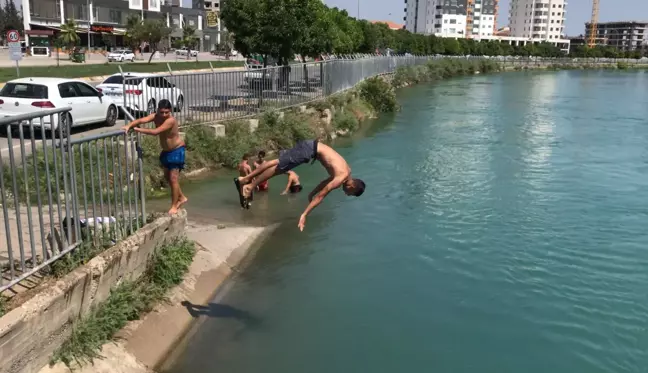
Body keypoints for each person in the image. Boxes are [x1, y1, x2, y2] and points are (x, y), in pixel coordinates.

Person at [234, 140, 365, 231]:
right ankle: (248, 185)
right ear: (352, 186)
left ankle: (245, 181)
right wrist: (304, 214)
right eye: (350, 193)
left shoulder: (346, 171)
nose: (346, 193)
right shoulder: (341, 177)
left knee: (277, 166)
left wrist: (311, 192)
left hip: (311, 147)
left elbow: (324, 183)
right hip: (309, 150)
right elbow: (321, 196)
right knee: (277, 166)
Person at [122, 99, 187, 215]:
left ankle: (174, 206)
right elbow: (141, 120)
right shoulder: (156, 116)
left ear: (170, 111)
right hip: (166, 152)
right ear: (158, 110)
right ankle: (181, 197)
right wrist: (129, 125)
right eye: (161, 112)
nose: (164, 115)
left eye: (166, 112)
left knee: (173, 179)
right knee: (168, 177)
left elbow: (156, 131)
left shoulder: (170, 121)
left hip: (176, 151)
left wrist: (138, 129)